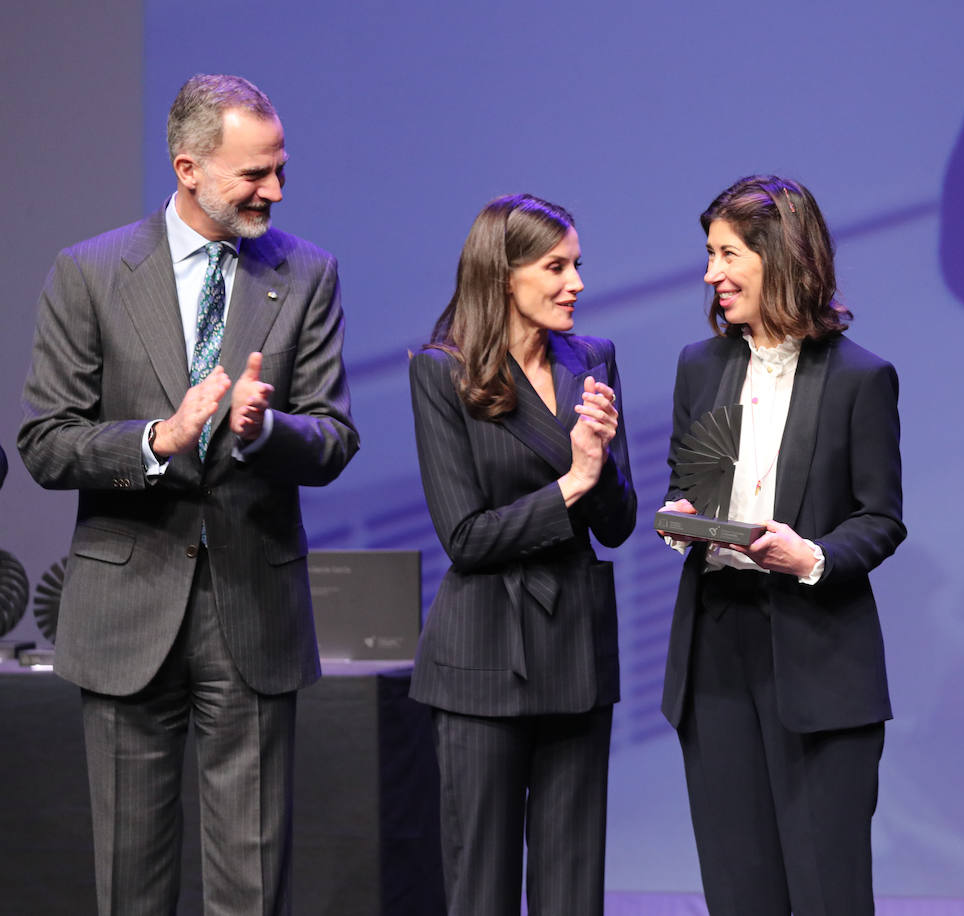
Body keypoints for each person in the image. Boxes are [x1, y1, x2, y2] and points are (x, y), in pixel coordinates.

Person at [17, 74, 358, 914]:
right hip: (127, 604)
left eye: (279, 168)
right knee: (131, 876)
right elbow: (45, 443)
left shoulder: (306, 274)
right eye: (253, 174)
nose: (273, 189)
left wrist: (262, 433)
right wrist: (155, 441)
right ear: (188, 167)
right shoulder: (90, 273)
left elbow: (334, 437)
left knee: (252, 880)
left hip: (252, 606)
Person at [658, 175, 905, 915]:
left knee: (827, 891)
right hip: (717, 652)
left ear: (778, 255)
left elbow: (881, 517)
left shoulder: (860, 378)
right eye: (709, 253)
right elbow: (691, 482)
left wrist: (813, 558)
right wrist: (684, 517)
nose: (711, 273)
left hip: (819, 657)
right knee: (739, 892)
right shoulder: (702, 367)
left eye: (727, 253)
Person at [409, 194, 635, 916]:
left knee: (574, 885)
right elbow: (467, 539)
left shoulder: (591, 358)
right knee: (483, 884)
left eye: (577, 266)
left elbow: (620, 523)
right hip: (483, 656)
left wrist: (596, 467)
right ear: (503, 276)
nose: (575, 283)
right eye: (555, 267)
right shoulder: (441, 373)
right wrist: (571, 481)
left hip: (575, 646)